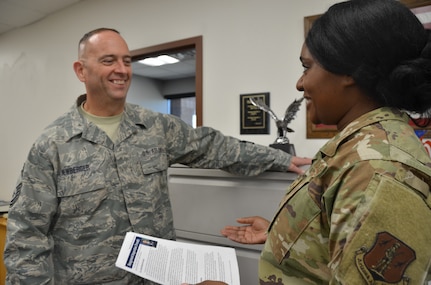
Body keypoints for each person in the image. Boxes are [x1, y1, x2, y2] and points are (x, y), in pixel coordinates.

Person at [3, 28, 311, 284]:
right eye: (109, 60)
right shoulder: (53, 145)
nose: (122, 70)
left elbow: (213, 147)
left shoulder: (155, 127)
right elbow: (26, 238)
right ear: (81, 70)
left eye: (126, 61)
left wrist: (280, 159)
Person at [192, 0, 431, 284]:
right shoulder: (359, 146)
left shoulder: (378, 168)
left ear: (349, 72)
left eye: (307, 67)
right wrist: (282, 235)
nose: (300, 83)